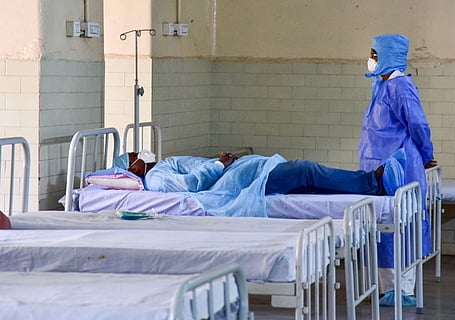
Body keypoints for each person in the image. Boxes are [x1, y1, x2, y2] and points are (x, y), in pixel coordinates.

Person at [361, 33, 437, 306]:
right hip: (377, 170)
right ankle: (386, 288)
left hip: (401, 170)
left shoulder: (401, 87)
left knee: (403, 226)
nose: (371, 59)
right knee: (383, 229)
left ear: (389, 56)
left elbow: (418, 126)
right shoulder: (379, 87)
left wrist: (426, 154)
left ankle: (403, 289)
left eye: (375, 54)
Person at [115, 148, 406, 197]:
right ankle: (371, 183)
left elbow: (198, 168)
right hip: (240, 183)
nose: (141, 153)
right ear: (133, 168)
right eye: (134, 156)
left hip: (241, 171)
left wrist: (221, 161)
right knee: (305, 170)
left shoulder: (164, 163)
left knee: (307, 182)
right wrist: (220, 165)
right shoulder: (154, 178)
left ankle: (366, 185)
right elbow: (190, 185)